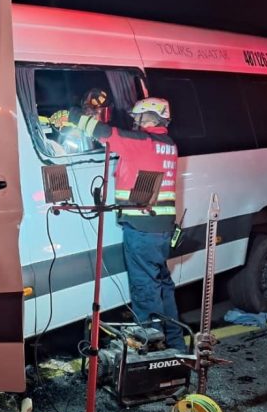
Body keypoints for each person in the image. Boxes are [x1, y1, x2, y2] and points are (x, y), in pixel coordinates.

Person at [50, 97, 186, 352]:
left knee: (145, 289)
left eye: (139, 117)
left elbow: (104, 132)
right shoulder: (168, 144)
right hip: (162, 230)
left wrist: (73, 114)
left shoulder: (141, 142)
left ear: (151, 117)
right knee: (162, 287)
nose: (135, 121)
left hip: (142, 229)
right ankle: (176, 344)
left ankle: (152, 349)